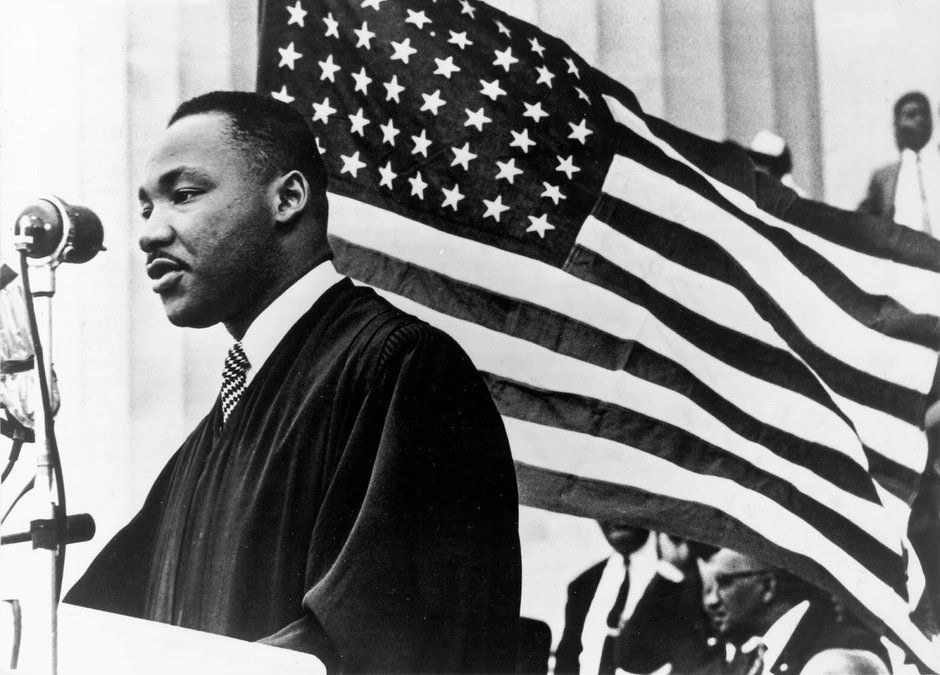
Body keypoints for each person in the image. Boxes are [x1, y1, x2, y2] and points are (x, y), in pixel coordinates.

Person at [63, 91, 522, 674]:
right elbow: (101, 626)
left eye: (184, 194)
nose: (150, 234)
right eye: (146, 208)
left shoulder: (404, 367)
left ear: (287, 199)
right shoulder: (220, 425)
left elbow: (386, 637)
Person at [697, 547, 890, 675]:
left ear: (768, 586)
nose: (711, 601)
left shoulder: (849, 647)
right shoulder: (744, 660)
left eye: (724, 582)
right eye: (707, 588)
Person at [554, 525, 709, 675]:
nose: (615, 516)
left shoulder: (686, 574)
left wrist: (670, 573)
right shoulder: (583, 585)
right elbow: (566, 662)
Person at [858, 92, 938, 232]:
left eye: (925, 114)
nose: (920, 119)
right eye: (911, 115)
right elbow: (862, 223)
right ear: (897, 124)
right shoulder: (883, 178)